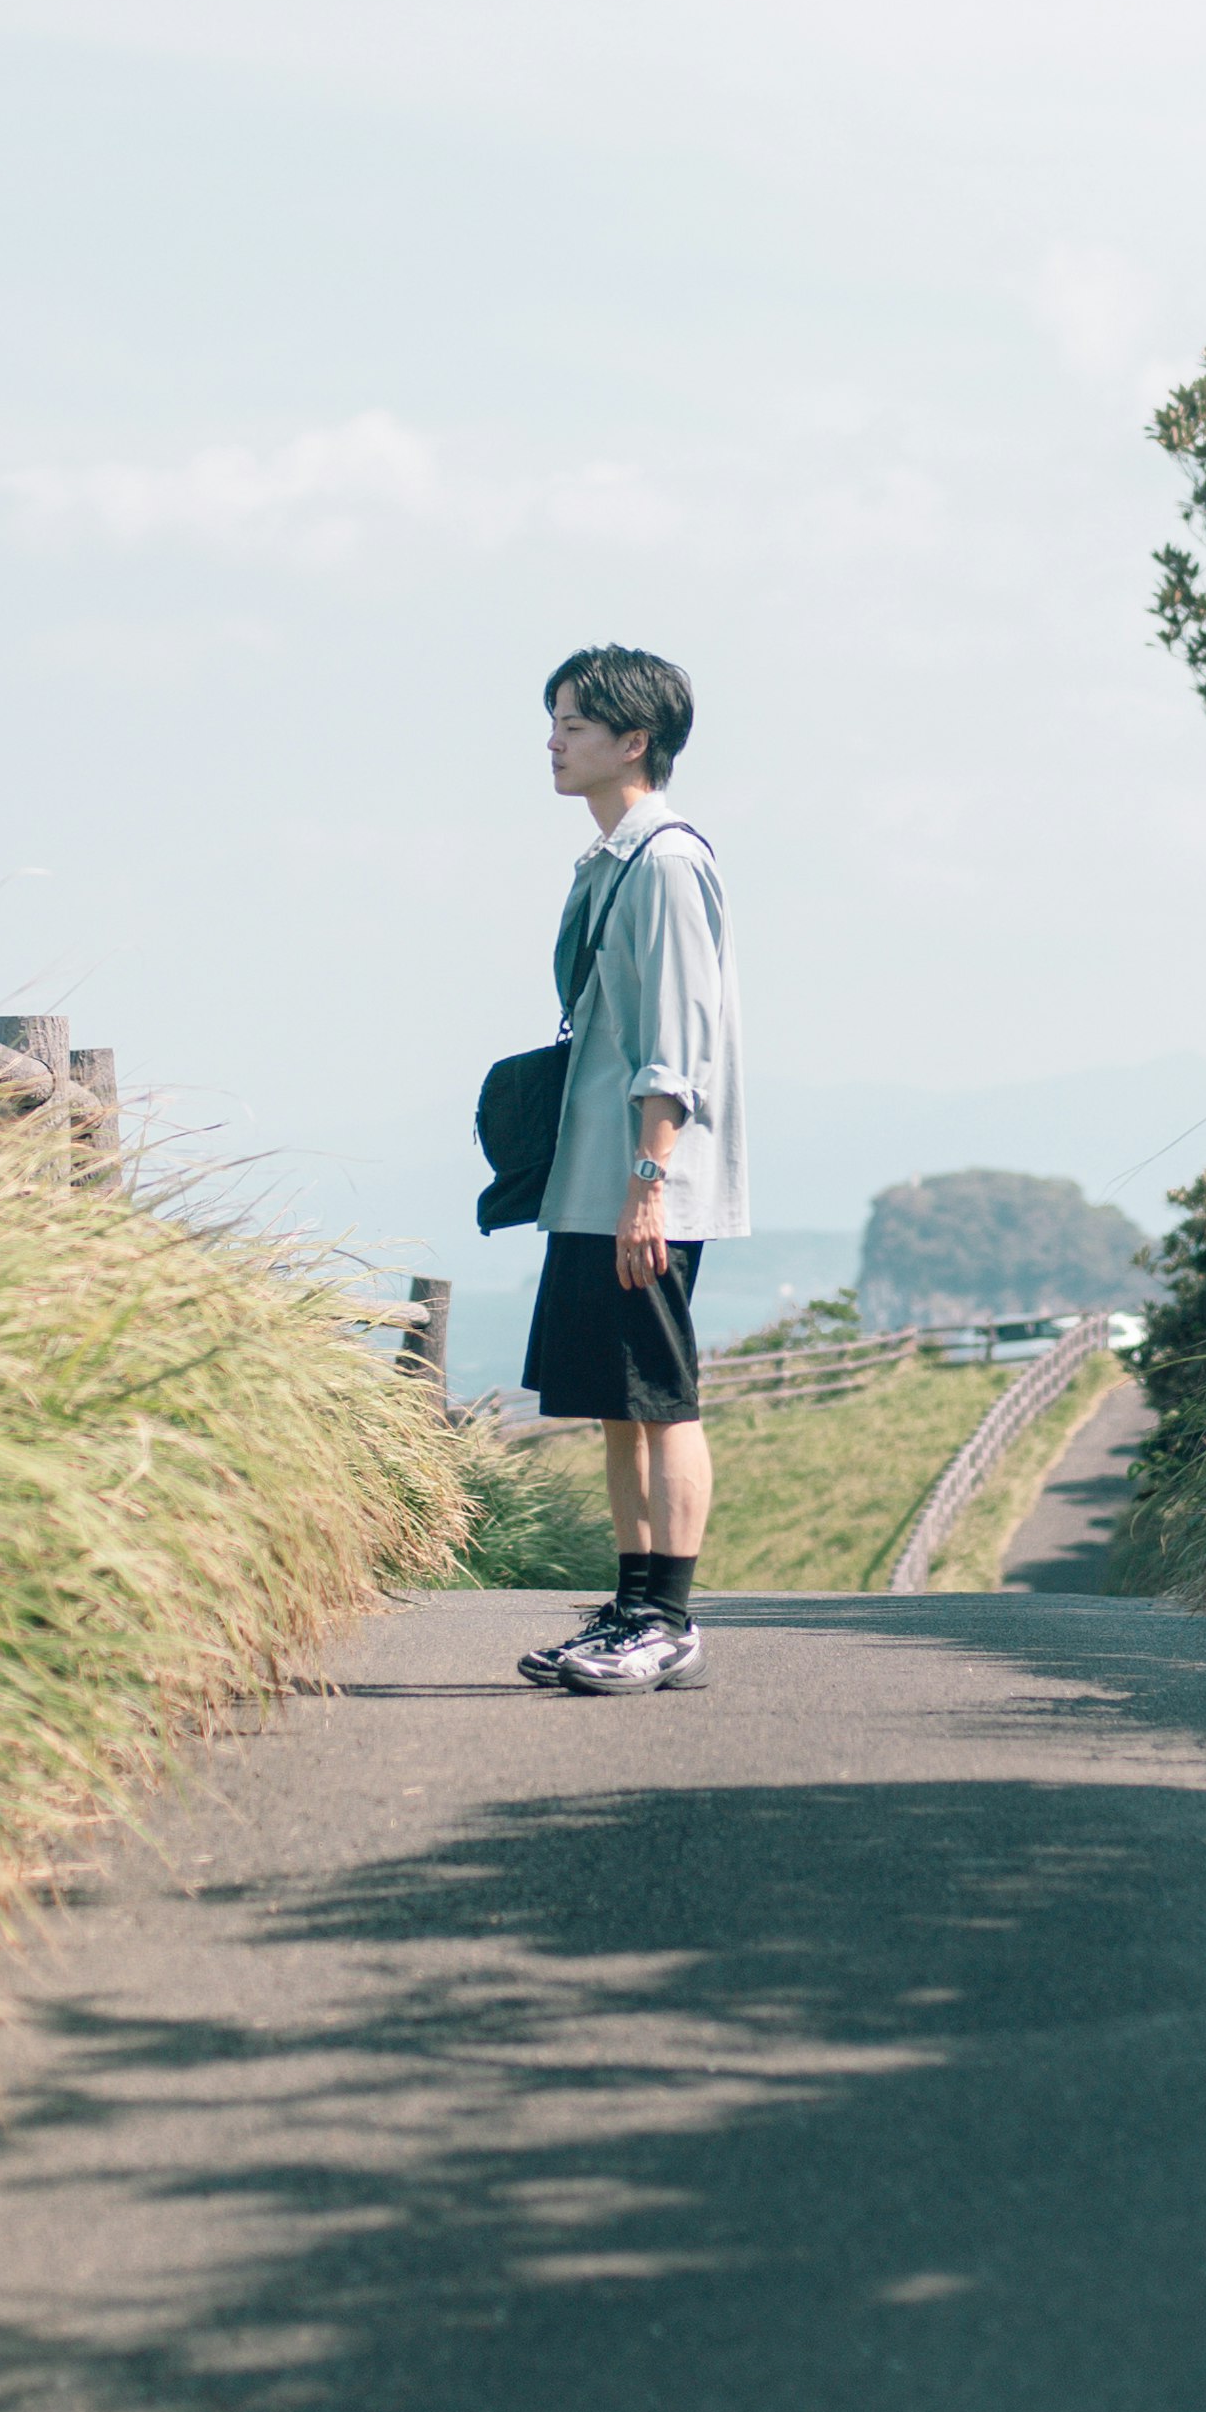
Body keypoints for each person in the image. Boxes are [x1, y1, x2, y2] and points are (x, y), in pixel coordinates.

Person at [514, 643, 747, 1692]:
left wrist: (649, 1183)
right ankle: (630, 1609)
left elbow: (679, 1040)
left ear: (633, 741)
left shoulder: (665, 862)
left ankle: (670, 1618)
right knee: (618, 1402)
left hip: (645, 1181)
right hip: (598, 1178)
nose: (553, 739)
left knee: (661, 1399)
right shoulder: (609, 860)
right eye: (554, 718)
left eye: (573, 721)